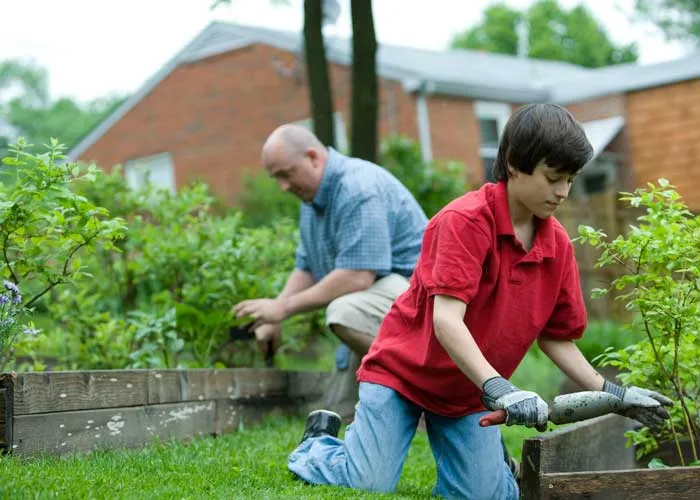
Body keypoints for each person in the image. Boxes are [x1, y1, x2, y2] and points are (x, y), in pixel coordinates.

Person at [286, 104, 674, 500]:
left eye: (571, 180)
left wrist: (615, 394)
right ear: (513, 164)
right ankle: (318, 445)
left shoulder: (556, 245)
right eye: (553, 177)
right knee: (368, 482)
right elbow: (448, 321)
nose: (562, 192)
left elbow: (556, 337)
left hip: (466, 392)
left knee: (487, 496)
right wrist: (501, 388)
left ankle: (492, 469)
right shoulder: (465, 221)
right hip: (403, 375)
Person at [233, 124, 428, 419]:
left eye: (286, 174)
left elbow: (357, 276)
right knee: (337, 413)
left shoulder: (357, 188)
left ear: (313, 157)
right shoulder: (312, 200)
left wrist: (284, 308)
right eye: (276, 179)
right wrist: (272, 315)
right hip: (379, 305)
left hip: (422, 304)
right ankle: (390, 406)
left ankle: (427, 395)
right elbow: (307, 266)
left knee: (345, 312)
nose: (283, 187)